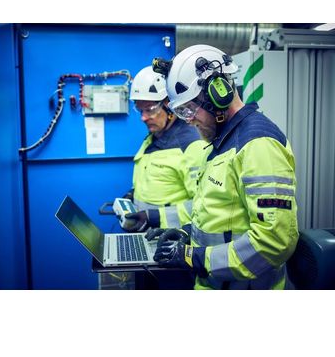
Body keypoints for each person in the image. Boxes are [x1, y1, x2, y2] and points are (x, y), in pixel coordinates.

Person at [148, 45, 299, 290]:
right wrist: (187, 233)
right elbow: (223, 220)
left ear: (218, 94)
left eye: (189, 109)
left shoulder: (258, 144)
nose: (188, 120)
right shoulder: (223, 142)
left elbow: (273, 242)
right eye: (182, 112)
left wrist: (194, 257)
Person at [122, 65, 208, 233]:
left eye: (149, 109)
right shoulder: (153, 138)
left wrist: (155, 217)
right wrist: (133, 195)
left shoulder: (192, 145)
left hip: (171, 238)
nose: (143, 118)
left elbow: (204, 204)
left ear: (170, 106)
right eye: (140, 110)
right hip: (147, 234)